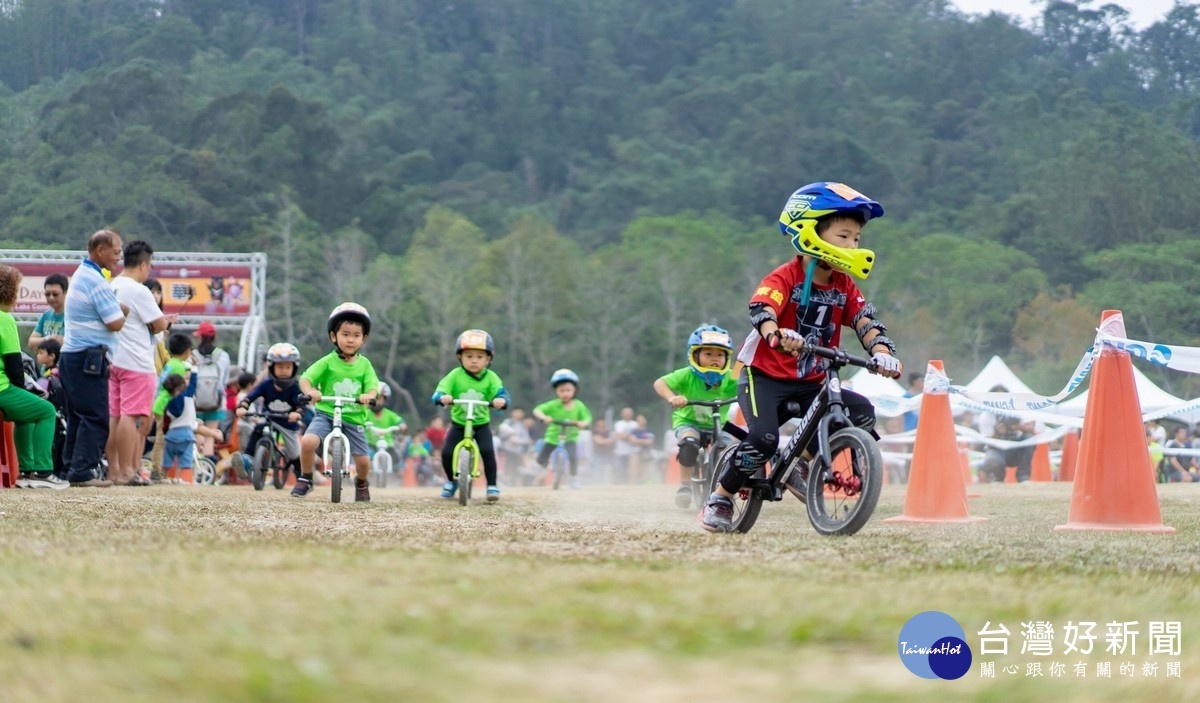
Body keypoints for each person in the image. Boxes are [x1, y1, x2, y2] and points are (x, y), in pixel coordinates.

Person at [702, 182, 902, 532]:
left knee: (861, 413)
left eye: (856, 238)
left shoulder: (843, 285)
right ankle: (720, 497)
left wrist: (882, 351)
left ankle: (800, 463)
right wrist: (775, 334)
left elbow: (863, 320)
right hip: (763, 377)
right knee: (763, 440)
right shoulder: (786, 276)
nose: (854, 245)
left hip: (811, 381)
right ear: (810, 231)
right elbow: (762, 308)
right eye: (844, 236)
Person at [60, 228, 128, 488]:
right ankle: (82, 471)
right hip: (87, 358)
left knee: (79, 415)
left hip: (73, 357)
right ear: (100, 250)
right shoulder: (95, 280)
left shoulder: (84, 274)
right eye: (115, 252)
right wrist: (123, 312)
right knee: (96, 416)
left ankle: (71, 468)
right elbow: (114, 322)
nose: (117, 258)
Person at [294, 303, 380, 501]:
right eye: (345, 334)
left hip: (354, 417)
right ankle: (306, 478)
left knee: (364, 462)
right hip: (326, 413)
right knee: (308, 442)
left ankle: (361, 482)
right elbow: (306, 378)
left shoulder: (365, 365)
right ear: (334, 336)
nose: (350, 339)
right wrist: (310, 391)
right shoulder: (327, 362)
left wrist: (369, 395)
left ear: (363, 339)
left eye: (356, 335)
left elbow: (373, 386)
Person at [106, 240, 172, 486]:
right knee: (130, 416)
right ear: (144, 264)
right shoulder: (138, 290)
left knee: (114, 416)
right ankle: (127, 471)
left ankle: (113, 470)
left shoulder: (113, 285)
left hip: (114, 359)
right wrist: (162, 321)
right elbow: (159, 324)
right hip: (136, 362)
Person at [653, 324, 738, 507]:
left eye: (720, 355)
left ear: (727, 358)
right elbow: (659, 383)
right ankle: (685, 485)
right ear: (695, 355)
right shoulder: (686, 375)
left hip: (719, 425)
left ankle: (723, 487)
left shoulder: (731, 376)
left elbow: (749, 381)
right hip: (688, 422)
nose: (715, 359)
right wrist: (673, 397)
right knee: (689, 444)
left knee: (731, 451)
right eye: (708, 354)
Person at [0, 265, 69, 489]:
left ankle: (26, 472)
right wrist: (23, 390)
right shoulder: (5, 319)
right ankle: (43, 472)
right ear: (10, 290)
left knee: (25, 416)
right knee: (46, 411)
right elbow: (13, 363)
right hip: (2, 388)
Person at [433, 329, 510, 501]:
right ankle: (451, 481)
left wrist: (500, 400)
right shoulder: (455, 375)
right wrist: (442, 397)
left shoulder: (491, 377)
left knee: (488, 451)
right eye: (469, 356)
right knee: (446, 452)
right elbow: (440, 391)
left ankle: (492, 485)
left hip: (481, 423)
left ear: (488, 359)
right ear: (460, 357)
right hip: (458, 423)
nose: (474, 360)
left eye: (479, 357)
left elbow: (502, 394)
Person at [234, 343, 309, 481]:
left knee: (294, 454)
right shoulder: (266, 384)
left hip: (288, 422)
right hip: (269, 418)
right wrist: (243, 407)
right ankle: (248, 459)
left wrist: (297, 413)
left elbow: (301, 404)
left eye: (288, 367)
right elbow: (251, 395)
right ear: (271, 367)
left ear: (294, 368)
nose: (284, 370)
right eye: (280, 367)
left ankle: (301, 477)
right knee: (258, 428)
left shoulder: (294, 387)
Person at [532, 369, 592, 489]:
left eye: (568, 390)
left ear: (575, 390)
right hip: (553, 437)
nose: (565, 393)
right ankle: (547, 468)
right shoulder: (553, 405)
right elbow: (537, 410)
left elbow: (587, 417)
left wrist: (583, 423)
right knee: (541, 459)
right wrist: (544, 417)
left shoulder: (578, 405)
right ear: (556, 391)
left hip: (571, 437)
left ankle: (574, 478)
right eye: (561, 390)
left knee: (573, 457)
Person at [150, 333, 193, 482]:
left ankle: (157, 470)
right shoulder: (179, 367)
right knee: (161, 440)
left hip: (158, 402)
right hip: (164, 406)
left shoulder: (170, 363)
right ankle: (156, 471)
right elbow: (178, 390)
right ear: (187, 351)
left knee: (159, 439)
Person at [191, 320, 231, 457]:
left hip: (195, 401)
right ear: (214, 337)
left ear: (200, 336)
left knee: (197, 432)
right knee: (210, 436)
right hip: (216, 401)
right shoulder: (223, 356)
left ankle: (194, 467)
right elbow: (225, 380)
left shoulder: (192, 355)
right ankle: (208, 464)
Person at [161, 371, 197, 483]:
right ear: (182, 386)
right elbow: (194, 385)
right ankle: (178, 478)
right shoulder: (187, 397)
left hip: (172, 433)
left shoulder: (168, 401)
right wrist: (194, 370)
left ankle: (165, 477)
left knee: (168, 457)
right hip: (187, 432)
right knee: (183, 457)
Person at [366, 382, 407, 469]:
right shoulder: (366, 413)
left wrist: (402, 424)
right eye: (374, 398)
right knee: (366, 456)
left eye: (379, 398)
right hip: (371, 444)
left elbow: (399, 420)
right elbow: (359, 420)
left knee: (396, 460)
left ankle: (395, 477)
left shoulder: (389, 414)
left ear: (385, 399)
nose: (376, 401)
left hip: (387, 444)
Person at [27, 272, 69, 355]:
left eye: (55, 294)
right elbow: (31, 342)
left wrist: (41, 342)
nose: (51, 297)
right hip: (46, 367)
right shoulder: (46, 315)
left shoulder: (71, 316)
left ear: (65, 293)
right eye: (47, 294)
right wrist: (49, 338)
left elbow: (60, 342)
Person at [497, 408, 532, 483]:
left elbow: (527, 439)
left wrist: (518, 441)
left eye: (520, 412)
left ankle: (513, 481)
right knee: (507, 465)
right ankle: (505, 481)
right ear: (512, 413)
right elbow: (500, 435)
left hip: (517, 451)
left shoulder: (522, 425)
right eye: (517, 412)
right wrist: (510, 434)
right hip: (506, 449)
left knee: (515, 466)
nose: (519, 414)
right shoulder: (507, 423)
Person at [612, 406, 639, 484]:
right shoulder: (618, 424)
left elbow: (637, 436)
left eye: (629, 413)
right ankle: (621, 483)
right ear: (622, 414)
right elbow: (620, 436)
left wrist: (629, 437)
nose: (627, 414)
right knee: (620, 469)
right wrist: (631, 437)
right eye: (626, 413)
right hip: (621, 451)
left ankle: (631, 483)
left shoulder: (635, 424)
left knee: (632, 470)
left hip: (633, 451)